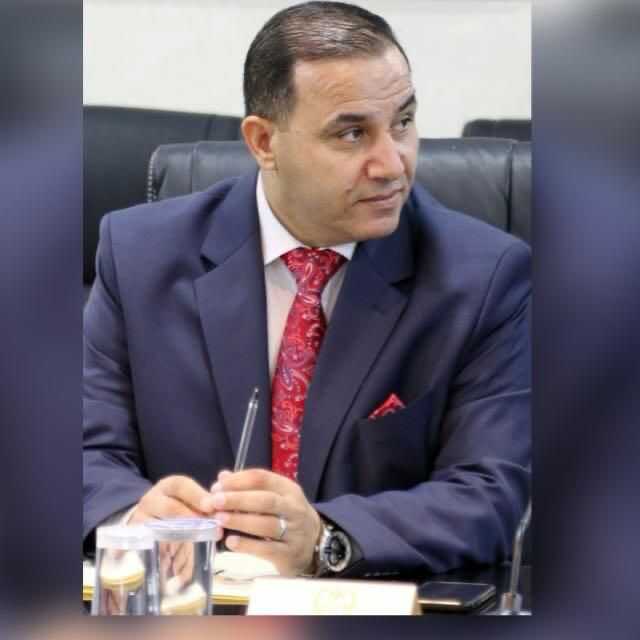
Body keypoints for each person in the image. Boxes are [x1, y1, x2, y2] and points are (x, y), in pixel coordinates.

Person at [83, 1, 530, 579]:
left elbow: (489, 492)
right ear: (264, 142)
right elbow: (78, 452)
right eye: (352, 133)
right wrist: (131, 516)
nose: (392, 164)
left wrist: (324, 538)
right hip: (186, 600)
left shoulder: (483, 276)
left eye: (402, 122)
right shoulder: (138, 255)